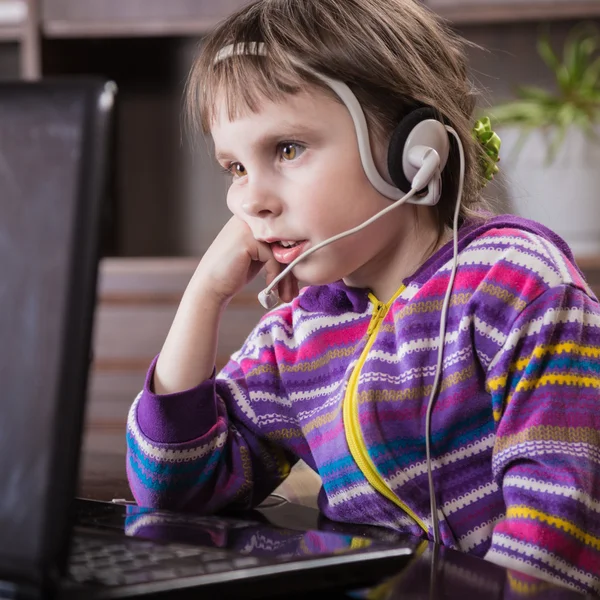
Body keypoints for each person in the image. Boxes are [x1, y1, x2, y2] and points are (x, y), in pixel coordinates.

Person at [126, 0, 600, 594]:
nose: (250, 201)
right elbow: (172, 493)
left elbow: (558, 519)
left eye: (287, 149)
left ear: (412, 151)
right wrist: (204, 294)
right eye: (235, 167)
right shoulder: (298, 334)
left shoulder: (516, 284)